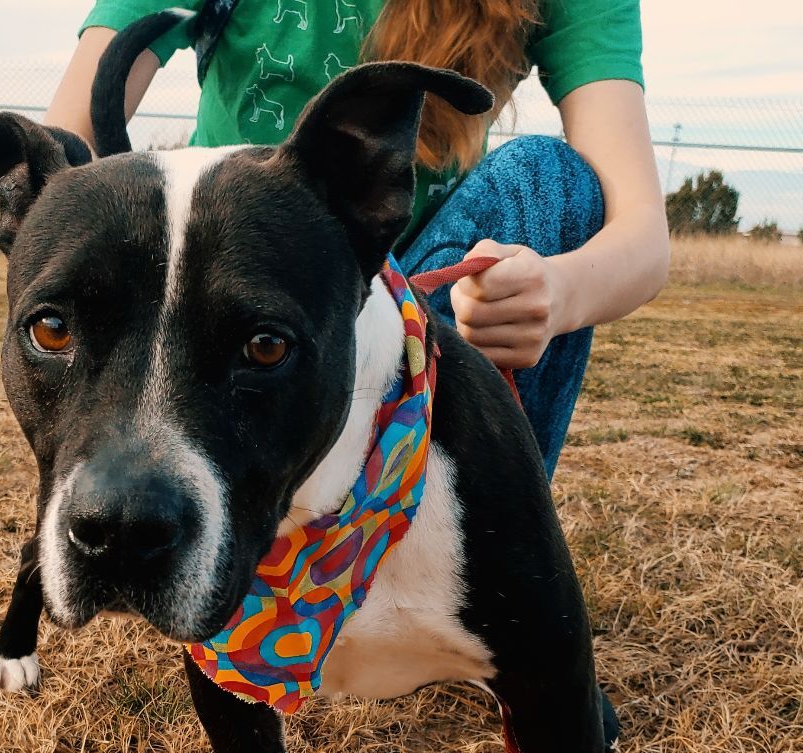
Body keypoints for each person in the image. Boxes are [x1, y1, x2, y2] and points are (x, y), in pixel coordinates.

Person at [45, 0, 669, 479]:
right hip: (227, 311)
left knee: (547, 177)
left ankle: (474, 547)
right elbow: (67, 147)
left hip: (421, 314)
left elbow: (643, 236)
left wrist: (555, 292)